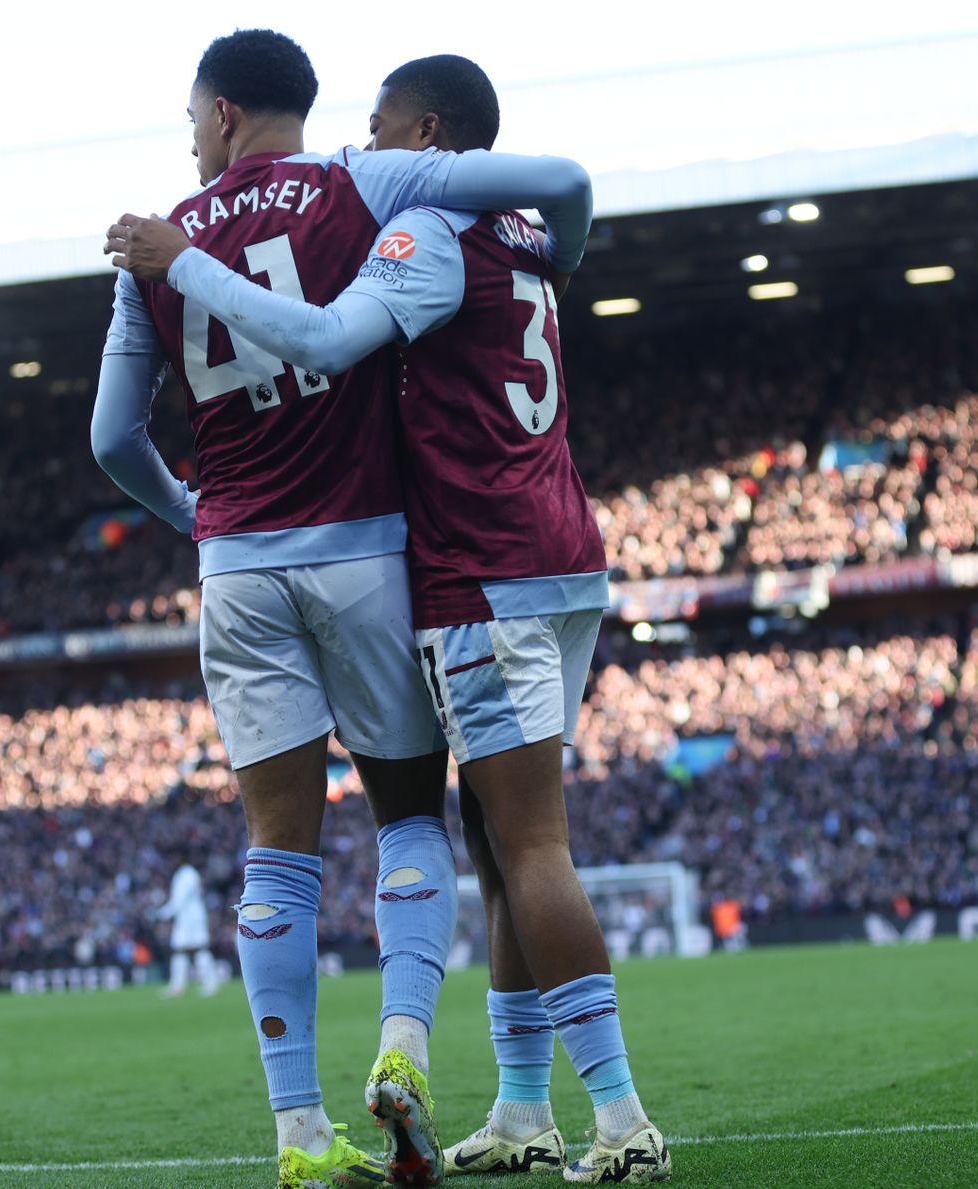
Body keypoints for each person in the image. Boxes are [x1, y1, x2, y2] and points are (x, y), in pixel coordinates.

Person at [110, 55, 671, 1185]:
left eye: (381, 132)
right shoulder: (517, 240)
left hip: (456, 568)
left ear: (427, 139)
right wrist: (568, 243)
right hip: (541, 555)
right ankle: (516, 1106)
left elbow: (266, 367)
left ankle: (615, 1120)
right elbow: (563, 182)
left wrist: (186, 267)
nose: (364, 148)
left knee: (511, 843)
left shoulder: (412, 231)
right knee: (474, 836)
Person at [157, 858, 220, 998]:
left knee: (195, 949)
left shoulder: (185, 875)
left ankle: (207, 984)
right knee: (186, 951)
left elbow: (179, 900)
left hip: (191, 919)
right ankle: (181, 986)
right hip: (190, 918)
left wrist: (162, 914)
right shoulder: (188, 874)